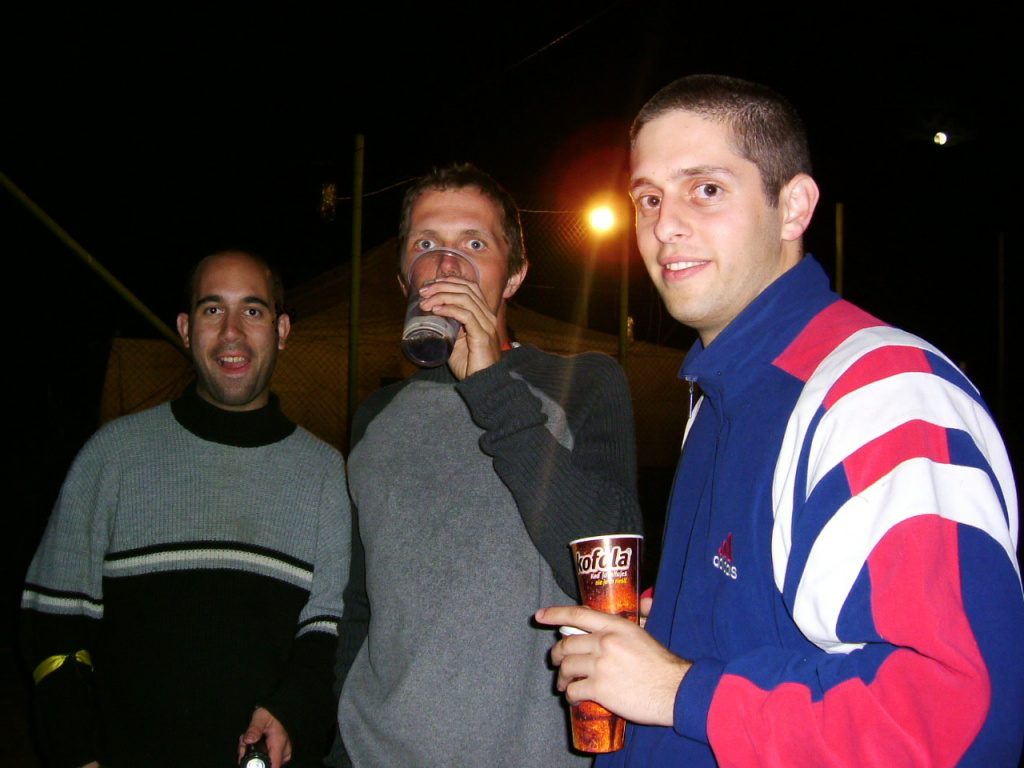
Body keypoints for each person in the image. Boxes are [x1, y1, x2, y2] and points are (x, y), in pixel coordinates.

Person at [538, 74, 1024, 767]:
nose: (664, 225)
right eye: (648, 198)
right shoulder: (720, 396)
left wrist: (678, 689)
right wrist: (682, 618)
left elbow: (955, 725)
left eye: (706, 189)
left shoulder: (879, 391)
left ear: (793, 207)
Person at [333, 163, 643, 767]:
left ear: (515, 276)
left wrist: (491, 387)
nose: (447, 266)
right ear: (403, 278)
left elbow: (607, 579)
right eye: (426, 244)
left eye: (475, 245)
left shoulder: (585, 383)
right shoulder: (376, 417)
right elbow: (363, 603)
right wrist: (343, 747)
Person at [22, 251, 350, 768]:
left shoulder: (326, 474)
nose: (232, 333)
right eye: (212, 310)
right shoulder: (112, 456)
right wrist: (79, 753)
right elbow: (54, 622)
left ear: (282, 330)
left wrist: (291, 711)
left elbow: (328, 628)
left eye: (254, 311)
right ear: (185, 329)